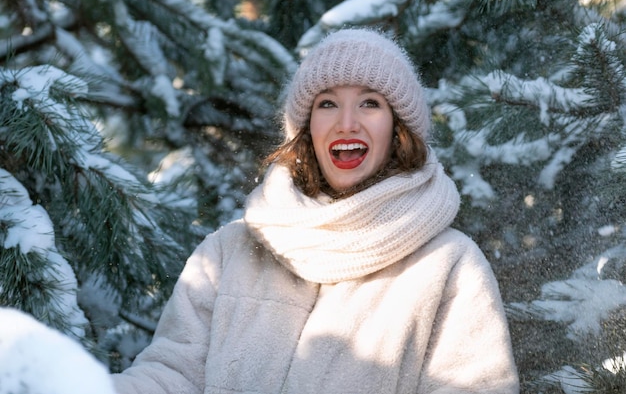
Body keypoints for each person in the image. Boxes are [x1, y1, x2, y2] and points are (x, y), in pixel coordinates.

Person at [112, 28, 519, 394]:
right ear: (306, 126)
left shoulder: (448, 265)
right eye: (327, 103)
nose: (346, 123)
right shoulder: (227, 251)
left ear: (398, 129)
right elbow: (170, 377)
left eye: (369, 103)